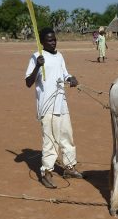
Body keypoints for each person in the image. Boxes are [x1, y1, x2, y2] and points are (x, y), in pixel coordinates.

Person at [25, 28, 84, 189]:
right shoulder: (36, 57)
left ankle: (69, 167)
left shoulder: (59, 56)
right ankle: (46, 171)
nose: (53, 42)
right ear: (42, 42)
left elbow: (64, 74)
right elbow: (28, 82)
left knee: (67, 136)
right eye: (49, 40)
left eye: (54, 39)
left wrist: (71, 78)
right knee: (50, 140)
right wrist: (37, 66)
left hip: (61, 103)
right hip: (46, 105)